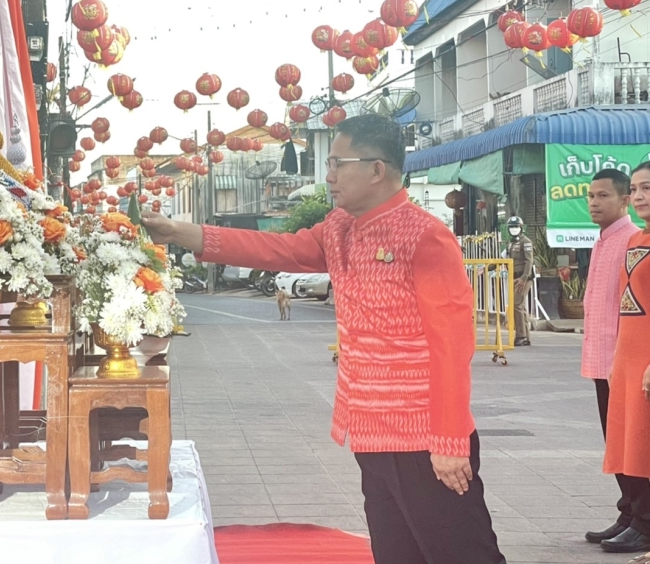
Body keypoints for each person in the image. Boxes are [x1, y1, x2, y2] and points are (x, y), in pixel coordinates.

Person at [142, 115, 506, 564]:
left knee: (461, 554)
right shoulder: (338, 228)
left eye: (337, 163)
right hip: (370, 432)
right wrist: (181, 233)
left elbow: (453, 346)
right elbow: (277, 249)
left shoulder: (426, 237)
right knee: (397, 553)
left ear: (376, 169)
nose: (328, 175)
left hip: (424, 438)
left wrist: (450, 441)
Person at [581, 170, 649, 553]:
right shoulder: (615, 240)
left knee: (635, 441)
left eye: (603, 195)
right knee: (618, 441)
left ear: (620, 201)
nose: (593, 202)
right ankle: (630, 511)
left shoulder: (629, 239)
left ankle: (643, 517)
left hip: (631, 357)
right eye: (590, 195)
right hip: (610, 356)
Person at [603, 161, 650, 562]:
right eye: (635, 189)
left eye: (647, 188)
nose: (639, 196)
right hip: (629, 355)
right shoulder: (636, 240)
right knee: (629, 439)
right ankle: (635, 516)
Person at [506, 216, 534, 346]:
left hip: (523, 278)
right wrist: (487, 268)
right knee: (519, 306)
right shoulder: (510, 243)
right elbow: (504, 258)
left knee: (517, 305)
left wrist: (524, 278)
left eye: (516, 227)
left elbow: (529, 261)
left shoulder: (526, 241)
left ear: (521, 228)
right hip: (514, 277)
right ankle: (525, 336)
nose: (514, 229)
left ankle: (521, 336)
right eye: (511, 227)